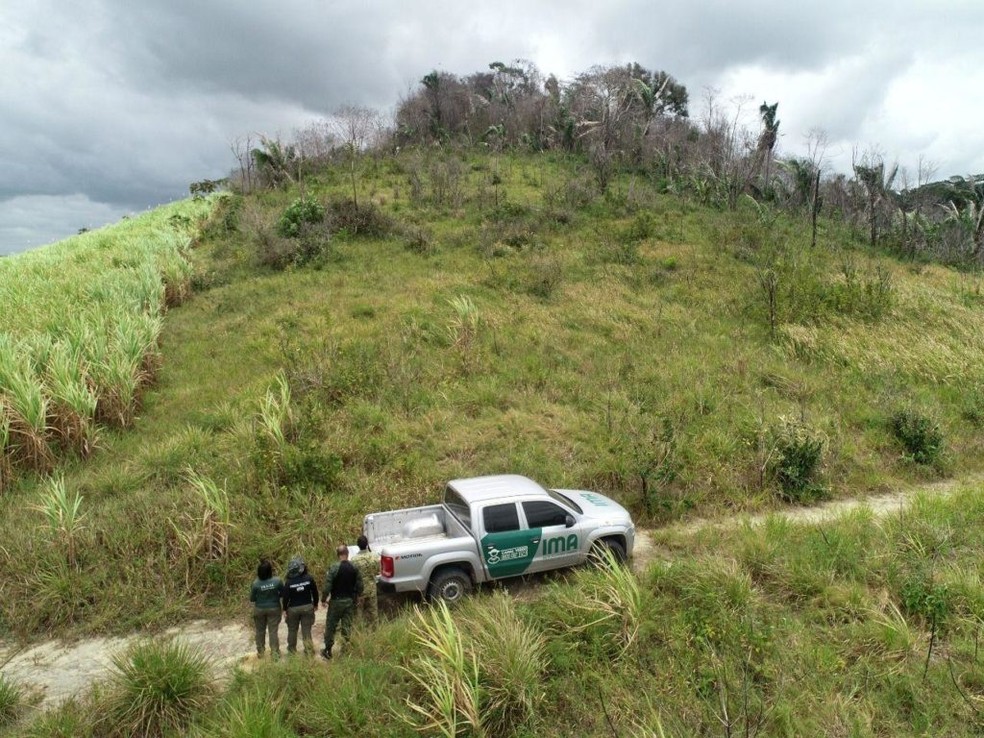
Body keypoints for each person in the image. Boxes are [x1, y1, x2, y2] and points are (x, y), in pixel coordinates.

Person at [321, 543, 364, 660]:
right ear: (347, 554)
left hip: (336, 602)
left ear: (338, 555)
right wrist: (360, 597)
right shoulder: (354, 567)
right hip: (349, 602)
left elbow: (327, 587)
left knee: (331, 626)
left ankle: (328, 650)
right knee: (347, 626)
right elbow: (360, 585)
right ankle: (345, 651)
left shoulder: (334, 568)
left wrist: (323, 600)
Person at [281, 555, 319, 656]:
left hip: (293, 609)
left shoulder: (288, 582)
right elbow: (315, 592)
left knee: (292, 630)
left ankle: (292, 651)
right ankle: (309, 652)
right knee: (306, 630)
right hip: (307, 607)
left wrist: (284, 609)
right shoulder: (309, 578)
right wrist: (315, 604)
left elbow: (285, 597)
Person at [249, 559, 283, 658]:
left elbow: (252, 599)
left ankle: (260, 652)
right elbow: (282, 593)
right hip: (274, 608)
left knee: (260, 631)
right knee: (273, 631)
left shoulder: (255, 583)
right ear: (270, 571)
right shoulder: (277, 581)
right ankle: (275, 653)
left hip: (259, 609)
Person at [351, 534, 380, 626]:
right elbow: (377, 572)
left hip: (360, 591)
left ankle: (360, 633)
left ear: (358, 546)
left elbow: (353, 576)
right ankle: (375, 632)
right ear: (367, 544)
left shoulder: (353, 560)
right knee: (373, 613)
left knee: (358, 613)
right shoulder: (374, 557)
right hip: (371, 588)